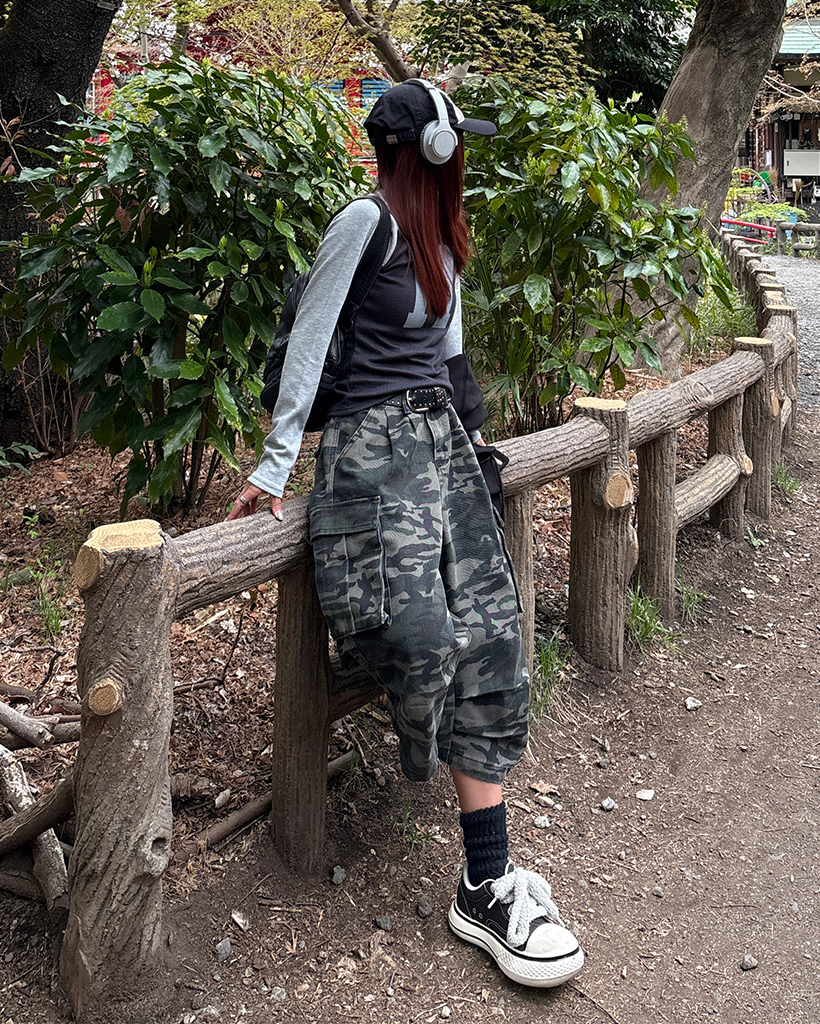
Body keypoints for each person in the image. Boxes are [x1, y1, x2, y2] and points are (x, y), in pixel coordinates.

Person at [226, 79, 584, 989]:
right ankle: (411, 740)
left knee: (493, 639)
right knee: (420, 636)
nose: (465, 162)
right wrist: (274, 467)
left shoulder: (443, 239)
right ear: (426, 151)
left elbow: (452, 358)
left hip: (441, 455)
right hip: (368, 457)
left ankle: (486, 878)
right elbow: (310, 345)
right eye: (457, 146)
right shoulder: (365, 222)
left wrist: (477, 446)